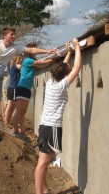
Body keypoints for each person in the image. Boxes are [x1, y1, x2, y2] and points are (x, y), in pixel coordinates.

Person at [0, 27, 56, 128]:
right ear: (5, 35)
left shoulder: (16, 47)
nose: (14, 37)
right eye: (11, 35)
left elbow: (32, 50)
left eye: (15, 35)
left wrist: (48, 51)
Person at [34, 38, 81, 194]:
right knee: (43, 164)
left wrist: (68, 53)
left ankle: (45, 190)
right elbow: (77, 67)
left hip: (44, 126)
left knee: (43, 163)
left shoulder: (51, 82)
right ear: (64, 76)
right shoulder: (61, 86)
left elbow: (64, 67)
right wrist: (77, 47)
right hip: (52, 127)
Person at [10, 43, 56, 140]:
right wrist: (52, 59)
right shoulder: (27, 60)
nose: (35, 50)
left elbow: (42, 66)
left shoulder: (32, 61)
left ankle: (22, 132)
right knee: (19, 110)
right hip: (22, 88)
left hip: (26, 88)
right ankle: (14, 130)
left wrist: (50, 60)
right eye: (34, 49)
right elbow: (42, 64)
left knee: (23, 112)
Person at [4, 54, 23, 128]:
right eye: (20, 58)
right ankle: (6, 122)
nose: (21, 60)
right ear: (16, 60)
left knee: (13, 107)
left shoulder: (15, 67)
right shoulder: (15, 66)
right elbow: (23, 67)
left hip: (14, 88)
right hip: (13, 88)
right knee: (10, 106)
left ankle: (7, 122)